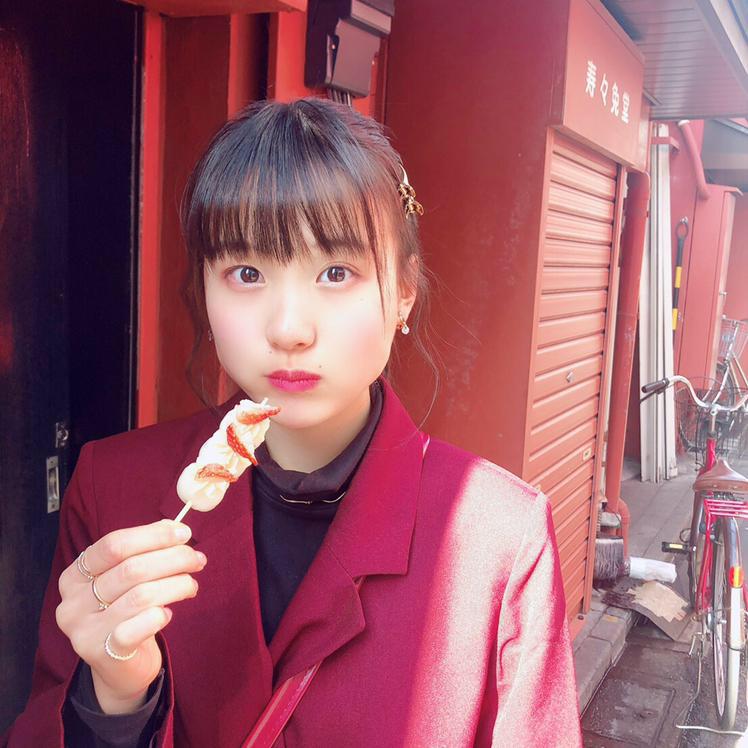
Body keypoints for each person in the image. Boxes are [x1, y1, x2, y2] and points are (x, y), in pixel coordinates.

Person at [3, 97, 582, 747]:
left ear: (404, 292)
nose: (288, 329)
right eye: (246, 272)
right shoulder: (116, 489)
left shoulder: (500, 540)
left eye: (336, 272)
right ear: (204, 289)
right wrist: (113, 698)